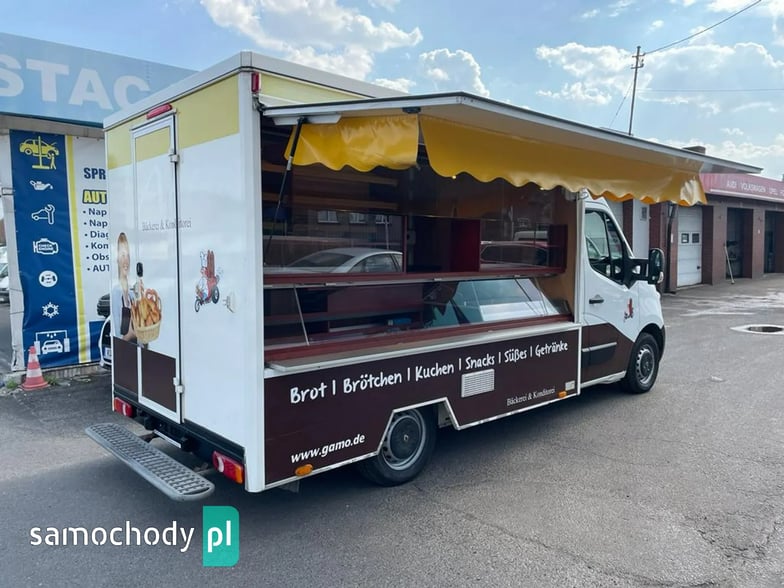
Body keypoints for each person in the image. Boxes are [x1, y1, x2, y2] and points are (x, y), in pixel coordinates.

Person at [111, 232, 136, 342]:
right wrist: (131, 334)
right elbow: (118, 337)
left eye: (128, 256)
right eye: (122, 256)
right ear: (117, 259)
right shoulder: (116, 293)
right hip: (123, 349)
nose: (126, 260)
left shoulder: (132, 292)